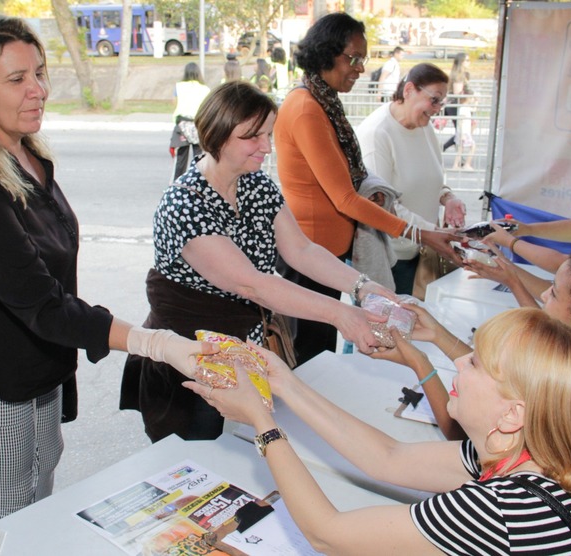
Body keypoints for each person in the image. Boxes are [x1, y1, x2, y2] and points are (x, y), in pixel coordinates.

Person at [0, 15, 212, 549]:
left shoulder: (28, 154)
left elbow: (53, 276)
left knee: (44, 475)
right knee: (12, 503)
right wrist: (158, 344)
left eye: (41, 73)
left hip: (39, 357)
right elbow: (43, 303)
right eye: (17, 80)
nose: (40, 90)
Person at [186, 308, 571, 554]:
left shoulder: (498, 513)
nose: (459, 363)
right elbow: (388, 458)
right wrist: (284, 383)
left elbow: (326, 533)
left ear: (511, 416)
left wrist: (262, 421)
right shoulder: (529, 461)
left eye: (476, 363)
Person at [120, 81, 394, 443]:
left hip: (246, 353)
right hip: (193, 362)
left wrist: (362, 286)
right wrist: (340, 313)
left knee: (257, 452)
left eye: (268, 134)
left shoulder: (256, 185)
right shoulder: (184, 205)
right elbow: (253, 284)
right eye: (252, 137)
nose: (266, 147)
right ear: (216, 135)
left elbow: (302, 251)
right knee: (202, 462)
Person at [383, 248, 571, 555]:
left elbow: (473, 429)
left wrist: (422, 366)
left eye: (551, 294)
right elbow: (519, 378)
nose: (542, 300)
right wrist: (438, 335)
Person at [274, 12, 459, 364]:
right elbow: (345, 198)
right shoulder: (307, 109)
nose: (360, 68)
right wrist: (418, 233)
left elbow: (350, 182)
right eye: (353, 58)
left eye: (363, 59)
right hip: (308, 256)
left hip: (326, 254)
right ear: (327, 53)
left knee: (320, 349)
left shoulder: (324, 100)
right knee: (308, 357)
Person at [357, 63, 467, 295]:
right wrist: (431, 233)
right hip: (393, 259)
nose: (437, 108)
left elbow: (431, 177)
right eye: (434, 99)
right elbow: (381, 205)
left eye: (442, 102)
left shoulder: (422, 123)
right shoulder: (377, 133)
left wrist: (448, 198)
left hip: (423, 251)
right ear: (408, 90)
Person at [171, 62, 211, 181]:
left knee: (181, 157)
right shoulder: (205, 89)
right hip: (198, 124)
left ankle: (177, 182)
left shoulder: (179, 86)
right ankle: (197, 181)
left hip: (182, 124)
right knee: (198, 156)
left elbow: (174, 102)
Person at [442, 52, 470, 152]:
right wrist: (468, 95)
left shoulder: (463, 74)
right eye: (466, 60)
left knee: (462, 132)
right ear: (461, 62)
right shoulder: (458, 75)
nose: (468, 63)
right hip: (455, 105)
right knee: (461, 132)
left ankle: (458, 158)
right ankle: (443, 148)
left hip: (456, 105)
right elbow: (457, 93)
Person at [451, 88, 477, 170]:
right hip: (464, 132)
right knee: (472, 146)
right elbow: (460, 122)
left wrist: (476, 101)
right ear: (468, 98)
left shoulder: (465, 107)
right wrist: (462, 134)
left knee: (461, 149)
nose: (472, 99)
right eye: (472, 98)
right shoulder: (463, 108)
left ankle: (456, 165)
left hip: (464, 132)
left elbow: (474, 109)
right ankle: (466, 164)